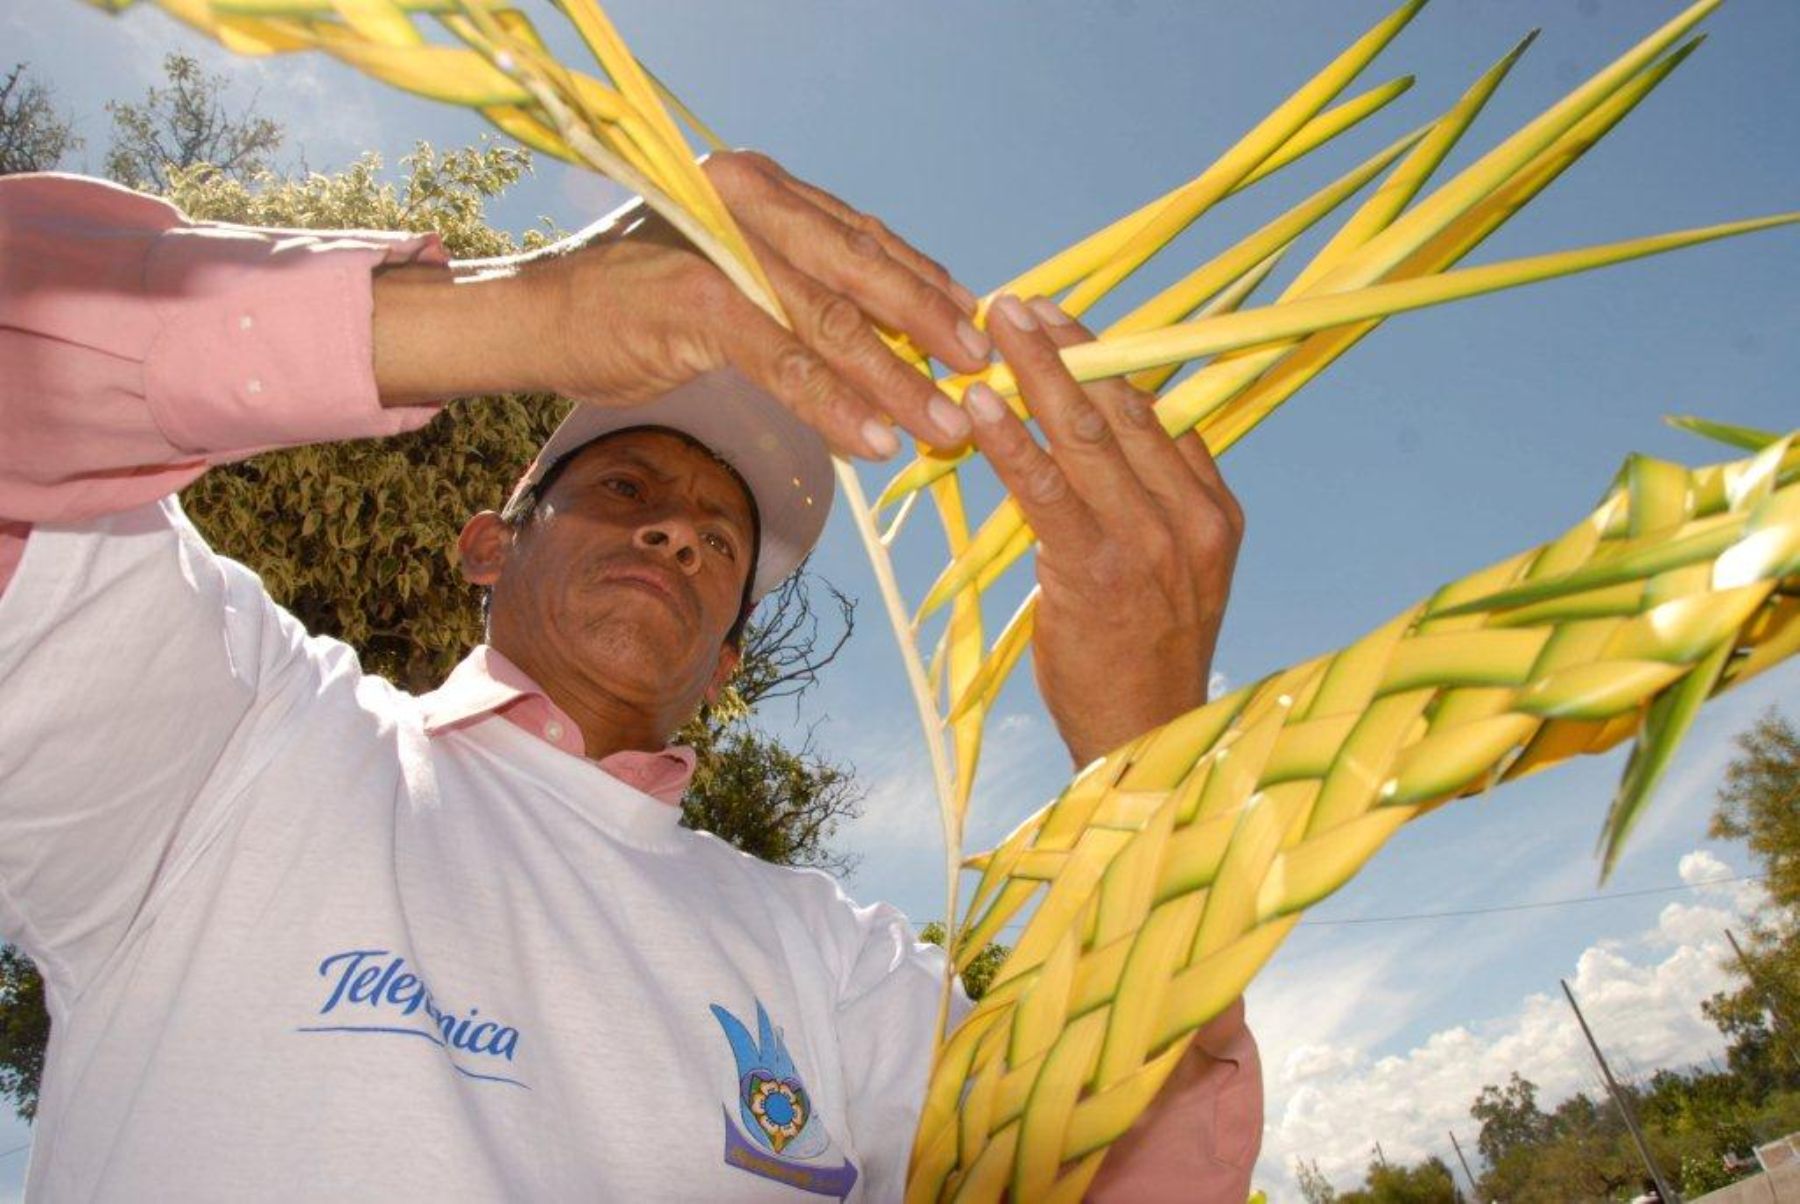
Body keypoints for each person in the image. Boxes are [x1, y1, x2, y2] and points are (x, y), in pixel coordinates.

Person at [0, 152, 1257, 1201]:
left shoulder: (833, 959)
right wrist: (515, 311)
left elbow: (1119, 1168)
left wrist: (1151, 762)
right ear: (490, 542)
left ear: (725, 664)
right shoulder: (245, 740)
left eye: (721, 542)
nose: (676, 533)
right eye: (626, 488)